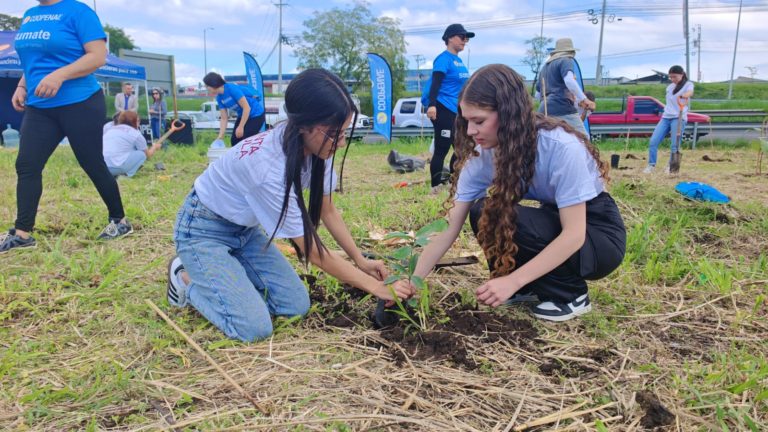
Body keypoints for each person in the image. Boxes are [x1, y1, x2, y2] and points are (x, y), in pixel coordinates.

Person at [166, 69, 415, 342]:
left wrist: (360, 260)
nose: (340, 142)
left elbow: (326, 209)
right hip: (203, 230)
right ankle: (184, 279)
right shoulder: (267, 168)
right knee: (253, 329)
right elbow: (312, 252)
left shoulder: (321, 144)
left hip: (245, 232)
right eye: (336, 134)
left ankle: (228, 273)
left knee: (295, 306)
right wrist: (376, 287)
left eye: (343, 133)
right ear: (303, 124)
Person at [394, 64, 626, 322]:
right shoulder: (483, 156)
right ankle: (527, 289)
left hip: (596, 237)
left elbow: (573, 235)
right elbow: (449, 226)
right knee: (483, 210)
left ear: (508, 114)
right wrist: (412, 280)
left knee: (516, 219)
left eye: (479, 121)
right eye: (466, 120)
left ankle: (570, 295)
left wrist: (512, 280)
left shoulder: (560, 147)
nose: (470, 131)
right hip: (554, 221)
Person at [2, 0, 132, 254]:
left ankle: (120, 220)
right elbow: (36, 60)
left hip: (80, 102)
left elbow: (97, 56)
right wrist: (22, 85)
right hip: (40, 107)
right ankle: (22, 234)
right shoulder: (30, 15)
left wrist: (60, 75)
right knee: (27, 165)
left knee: (91, 163)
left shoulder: (79, 11)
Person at [424, 23, 474, 193]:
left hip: (456, 110)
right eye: (462, 37)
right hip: (442, 107)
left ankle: (454, 182)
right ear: (450, 37)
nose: (465, 41)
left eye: (466, 38)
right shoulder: (443, 59)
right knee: (442, 147)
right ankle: (435, 186)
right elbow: (435, 84)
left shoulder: (458, 61)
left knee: (462, 148)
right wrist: (431, 105)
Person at [535, 38, 595, 136]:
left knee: (550, 139)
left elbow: (537, 95)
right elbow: (569, 80)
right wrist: (585, 99)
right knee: (584, 138)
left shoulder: (544, 68)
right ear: (571, 52)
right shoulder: (566, 60)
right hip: (561, 106)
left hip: (543, 110)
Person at [643, 65, 694, 174]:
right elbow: (669, 102)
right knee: (653, 141)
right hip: (666, 117)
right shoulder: (670, 87)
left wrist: (684, 96)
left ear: (682, 74)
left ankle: (671, 166)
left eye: (674, 77)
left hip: (678, 117)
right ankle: (651, 165)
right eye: (670, 77)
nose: (672, 79)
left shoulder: (688, 84)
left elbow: (690, 92)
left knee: (674, 144)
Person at [103, 111, 184, 178]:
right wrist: (154, 147)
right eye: (137, 121)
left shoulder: (111, 129)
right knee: (142, 154)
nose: (139, 123)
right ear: (133, 121)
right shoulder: (135, 134)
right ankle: (125, 176)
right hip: (116, 168)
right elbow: (147, 155)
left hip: (103, 168)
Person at [202, 72, 266, 146]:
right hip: (243, 115)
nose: (206, 89)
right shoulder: (219, 97)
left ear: (213, 84)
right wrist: (220, 136)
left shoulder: (231, 89)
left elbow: (246, 108)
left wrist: (241, 126)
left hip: (256, 115)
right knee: (234, 141)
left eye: (207, 86)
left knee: (244, 141)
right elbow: (224, 118)